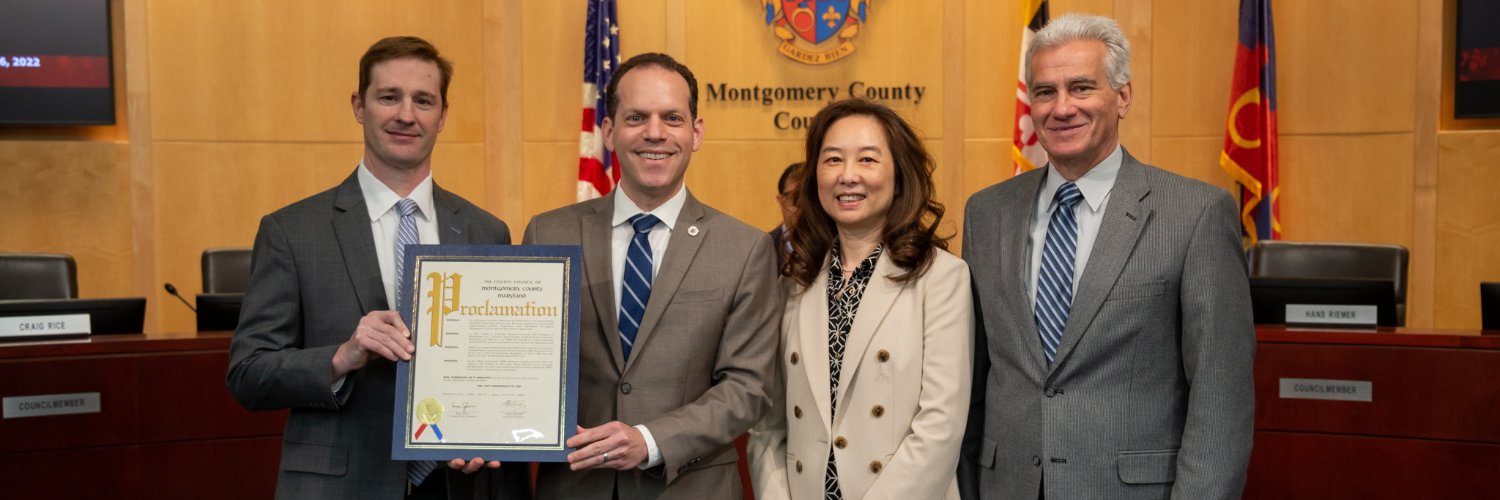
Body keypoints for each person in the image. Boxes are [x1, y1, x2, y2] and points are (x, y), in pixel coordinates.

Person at [957, 14, 1255, 500]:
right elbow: (972, 376)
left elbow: (1221, 394)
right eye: (1045, 92)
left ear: (1123, 97)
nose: (1062, 108)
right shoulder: (987, 213)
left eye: (1081, 87)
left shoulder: (1195, 214)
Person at [226, 36, 528, 500]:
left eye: (423, 100)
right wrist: (342, 356)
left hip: (458, 484)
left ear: (442, 115)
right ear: (358, 106)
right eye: (389, 97)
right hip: (342, 485)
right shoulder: (292, 231)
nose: (406, 114)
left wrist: (487, 433)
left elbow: (497, 369)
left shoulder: (486, 230)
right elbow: (248, 374)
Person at [522, 52, 782, 499]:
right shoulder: (548, 233)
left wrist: (651, 440)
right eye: (637, 117)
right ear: (609, 132)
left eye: (672, 118)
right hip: (575, 485)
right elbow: (520, 360)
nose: (655, 133)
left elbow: (749, 387)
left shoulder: (745, 248)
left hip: (692, 488)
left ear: (696, 133)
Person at [749, 99, 973, 500]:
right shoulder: (793, 281)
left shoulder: (941, 278)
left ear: (899, 176)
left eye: (867, 159)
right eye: (833, 160)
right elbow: (768, 427)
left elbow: (940, 426)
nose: (848, 176)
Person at [770, 161, 802, 269]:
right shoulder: (765, 247)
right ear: (781, 200)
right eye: (796, 198)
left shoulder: (837, 243)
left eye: (811, 197)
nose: (805, 207)